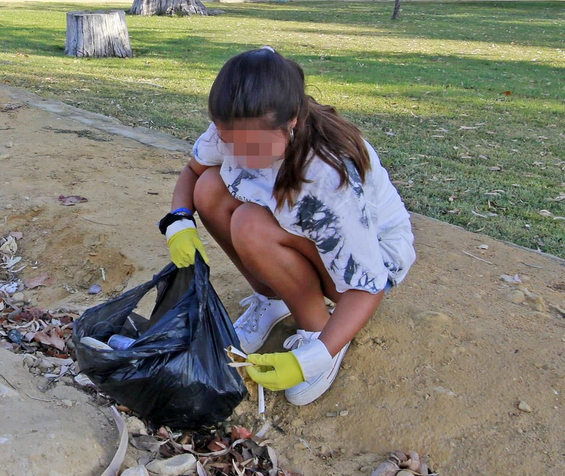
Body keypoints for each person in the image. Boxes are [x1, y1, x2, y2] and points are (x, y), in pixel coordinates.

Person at [163, 48, 414, 406]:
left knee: (251, 225)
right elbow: (195, 171)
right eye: (231, 143)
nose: (240, 155)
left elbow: (367, 285)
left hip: (369, 261)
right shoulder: (239, 122)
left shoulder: (329, 178)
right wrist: (179, 221)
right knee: (210, 189)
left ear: (291, 120)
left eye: (254, 147)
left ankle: (317, 330)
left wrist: (314, 358)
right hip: (298, 226)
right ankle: (273, 299)